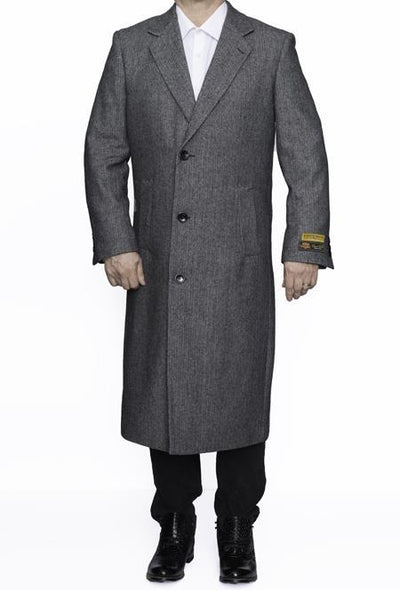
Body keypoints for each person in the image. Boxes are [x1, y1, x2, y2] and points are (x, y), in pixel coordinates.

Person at [84, 0, 334, 583]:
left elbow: (306, 156)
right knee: (163, 392)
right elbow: (103, 152)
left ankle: (237, 524)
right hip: (158, 260)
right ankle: (174, 522)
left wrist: (305, 246)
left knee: (239, 395)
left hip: (235, 264)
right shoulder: (132, 46)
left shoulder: (271, 47)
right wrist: (116, 240)